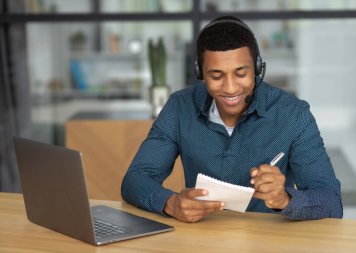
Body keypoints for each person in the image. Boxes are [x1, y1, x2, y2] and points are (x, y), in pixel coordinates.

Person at [121, 16, 343, 223]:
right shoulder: (179, 107)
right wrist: (170, 203)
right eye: (216, 76)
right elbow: (135, 179)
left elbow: (332, 202)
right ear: (200, 72)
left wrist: (285, 199)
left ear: (257, 68)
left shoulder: (293, 115)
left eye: (240, 73)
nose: (229, 88)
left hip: (269, 241)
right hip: (201, 238)